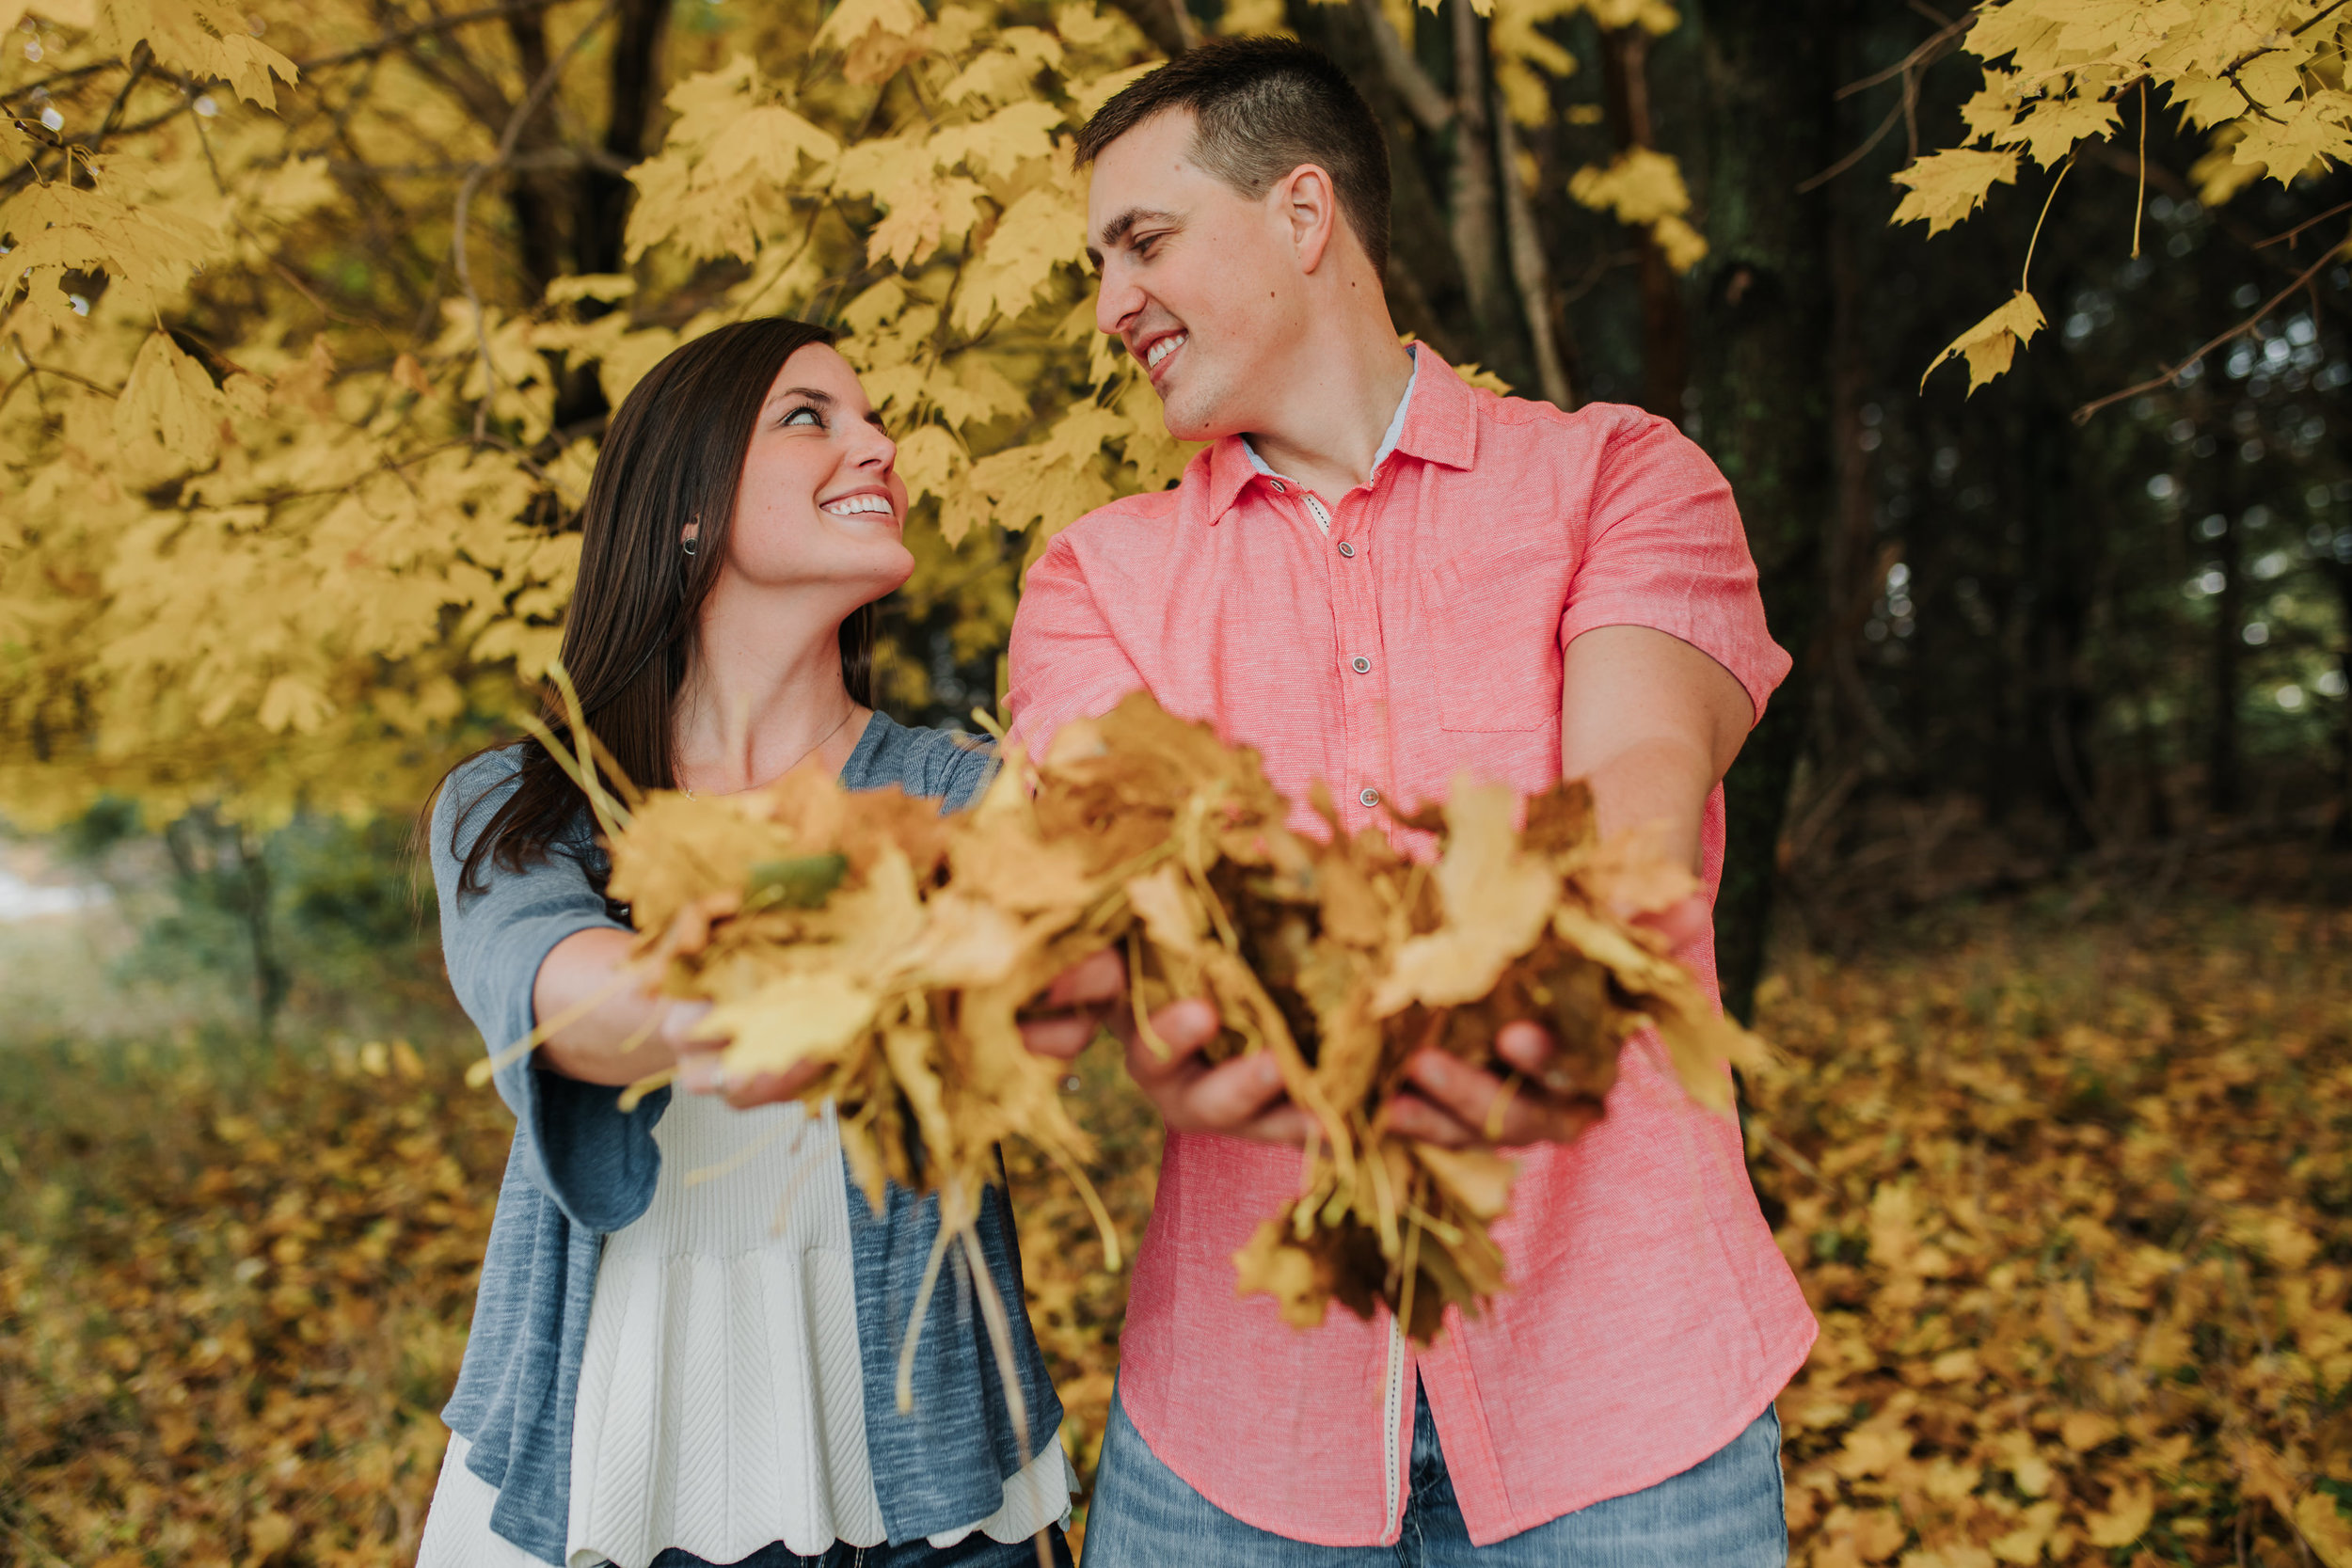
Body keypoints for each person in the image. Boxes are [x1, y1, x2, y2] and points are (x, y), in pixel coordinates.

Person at [1005, 39, 1818, 1567]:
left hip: (1630, 1412)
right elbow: (1113, 880)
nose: (1109, 304)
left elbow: (1632, 808)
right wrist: (1159, 1006)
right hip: (1239, 1451)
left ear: (1305, 214)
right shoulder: (1092, 581)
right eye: (1096, 262)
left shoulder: (1620, 481)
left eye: (1144, 242)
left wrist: (1526, 1008)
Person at [417, 318, 1079, 1568]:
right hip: (612, 1457)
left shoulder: (965, 797)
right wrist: (760, 998)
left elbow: (1052, 1010)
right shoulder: (527, 804)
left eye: (873, 417)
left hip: (933, 1487)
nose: (878, 444)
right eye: (810, 416)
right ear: (683, 508)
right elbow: (571, 998)